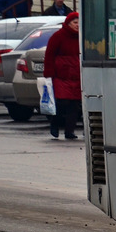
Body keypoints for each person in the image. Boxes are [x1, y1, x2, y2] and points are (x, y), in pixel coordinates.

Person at [43, 11, 81, 139]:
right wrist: (49, 74)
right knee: (61, 102)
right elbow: (49, 56)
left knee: (74, 105)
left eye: (79, 23)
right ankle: (55, 124)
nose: (77, 25)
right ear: (68, 23)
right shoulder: (58, 36)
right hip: (61, 76)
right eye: (75, 23)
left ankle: (69, 131)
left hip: (76, 76)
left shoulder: (81, 37)